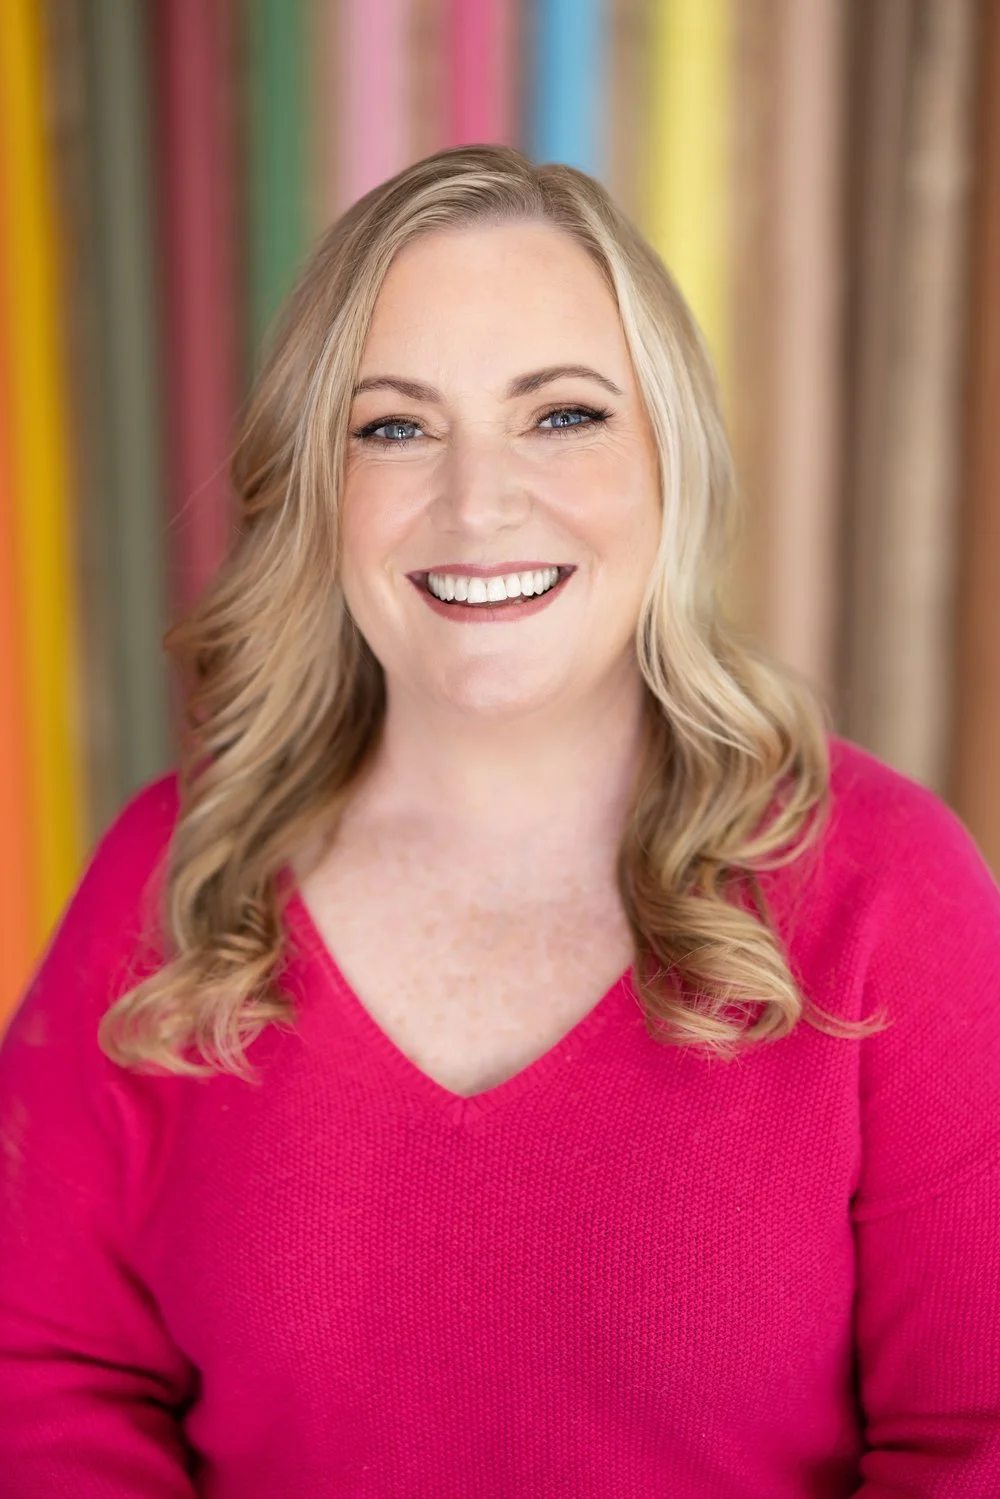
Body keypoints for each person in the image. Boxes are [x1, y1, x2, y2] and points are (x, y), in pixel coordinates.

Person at [1, 143, 998, 1498]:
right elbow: (43, 1374)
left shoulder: (893, 889)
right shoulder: (177, 875)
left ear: (672, 458)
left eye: (564, 414)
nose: (479, 503)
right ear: (315, 486)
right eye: (395, 426)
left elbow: (972, 1437)